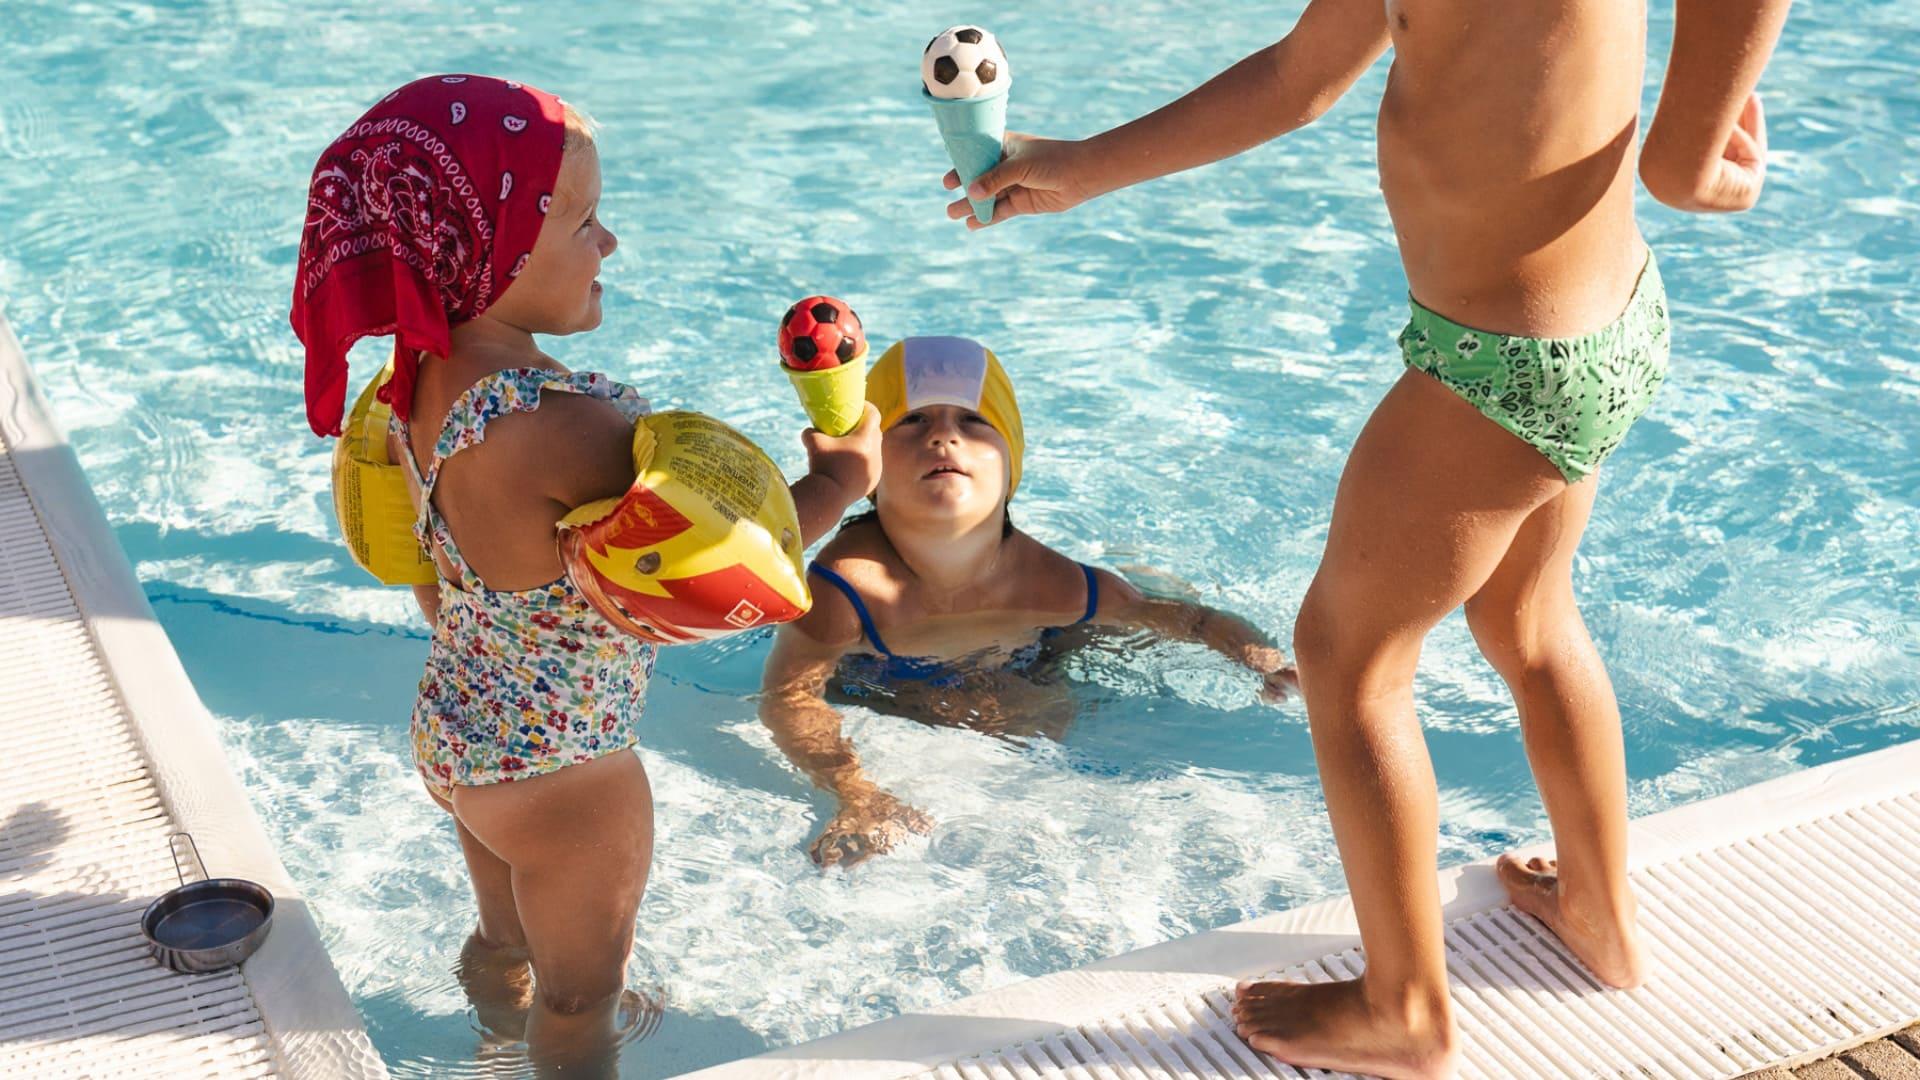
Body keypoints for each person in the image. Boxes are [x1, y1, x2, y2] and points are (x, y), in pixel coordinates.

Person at [941, 2, 1791, 1074]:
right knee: (1529, 618)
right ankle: (1596, 911)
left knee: (1349, 662)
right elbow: (1304, 72)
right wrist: (1086, 166)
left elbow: (1303, 76)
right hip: (1600, 323)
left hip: (1499, 363)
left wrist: (1686, 160)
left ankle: (1407, 1010)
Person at [291, 74, 881, 1071]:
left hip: (462, 729)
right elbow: (728, 566)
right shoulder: (565, 426)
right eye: (583, 223)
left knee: (508, 941)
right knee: (581, 998)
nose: (608, 244)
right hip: (568, 781)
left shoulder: (418, 384)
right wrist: (838, 478)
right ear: (491, 251)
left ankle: (489, 1037)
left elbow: (435, 566)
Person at [760, 336, 1295, 866]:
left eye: (973, 422)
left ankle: (1142, 568)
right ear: (869, 468)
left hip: (1031, 662)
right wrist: (856, 792)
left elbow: (1193, 623)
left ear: (1011, 463)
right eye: (913, 422)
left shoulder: (1053, 584)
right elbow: (789, 698)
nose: (944, 436)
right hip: (888, 687)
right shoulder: (848, 588)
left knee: (1044, 709)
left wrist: (1262, 659)